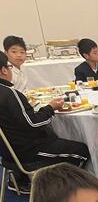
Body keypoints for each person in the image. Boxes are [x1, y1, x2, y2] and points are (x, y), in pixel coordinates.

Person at [0, 52, 89, 193]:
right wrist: (51, 108)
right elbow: (32, 123)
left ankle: (23, 179)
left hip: (7, 152)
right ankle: (62, 190)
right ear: (4, 70)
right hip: (27, 152)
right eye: (9, 67)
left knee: (53, 136)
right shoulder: (10, 94)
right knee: (81, 150)